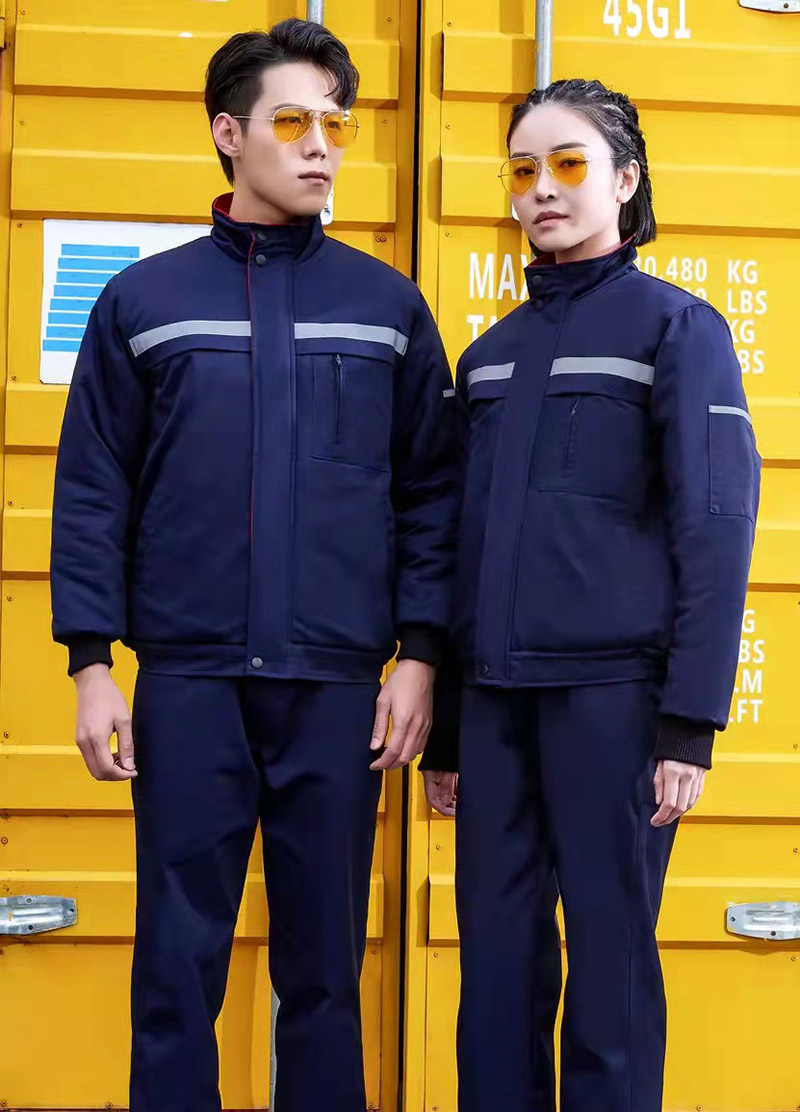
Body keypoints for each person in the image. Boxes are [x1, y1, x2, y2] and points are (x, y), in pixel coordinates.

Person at [50, 19, 458, 1112]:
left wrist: (421, 655)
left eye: (337, 123)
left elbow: (432, 494)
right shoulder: (143, 304)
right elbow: (92, 490)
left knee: (324, 971)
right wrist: (91, 664)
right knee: (174, 967)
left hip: (335, 689)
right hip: (190, 683)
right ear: (229, 134)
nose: (321, 145)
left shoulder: (386, 308)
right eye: (293, 121)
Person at [421, 78, 760, 1112]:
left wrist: (689, 722)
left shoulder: (676, 330)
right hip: (494, 707)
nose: (542, 188)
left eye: (568, 164)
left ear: (624, 180)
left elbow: (715, 527)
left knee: (609, 975)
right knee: (494, 975)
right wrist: (447, 734)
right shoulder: (487, 357)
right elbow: (459, 544)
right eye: (523, 169)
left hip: (614, 705)